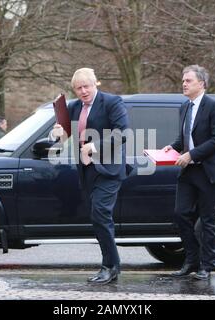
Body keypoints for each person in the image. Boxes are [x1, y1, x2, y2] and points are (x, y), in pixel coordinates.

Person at [51, 68, 129, 285]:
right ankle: (110, 265)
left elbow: (122, 132)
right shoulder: (74, 107)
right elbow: (64, 137)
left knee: (100, 214)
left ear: (97, 83)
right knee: (98, 217)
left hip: (109, 170)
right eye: (78, 88)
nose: (83, 91)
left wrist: (94, 146)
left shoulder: (112, 102)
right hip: (86, 171)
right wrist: (57, 134)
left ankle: (110, 267)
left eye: (87, 86)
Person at [162, 65, 215, 280]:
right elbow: (185, 137)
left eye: (188, 80)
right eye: (183, 80)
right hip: (188, 171)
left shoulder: (214, 106)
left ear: (201, 84)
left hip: (208, 170)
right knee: (181, 214)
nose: (184, 83)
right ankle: (191, 260)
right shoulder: (184, 107)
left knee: (208, 219)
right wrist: (172, 147)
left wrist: (191, 155)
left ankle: (207, 265)